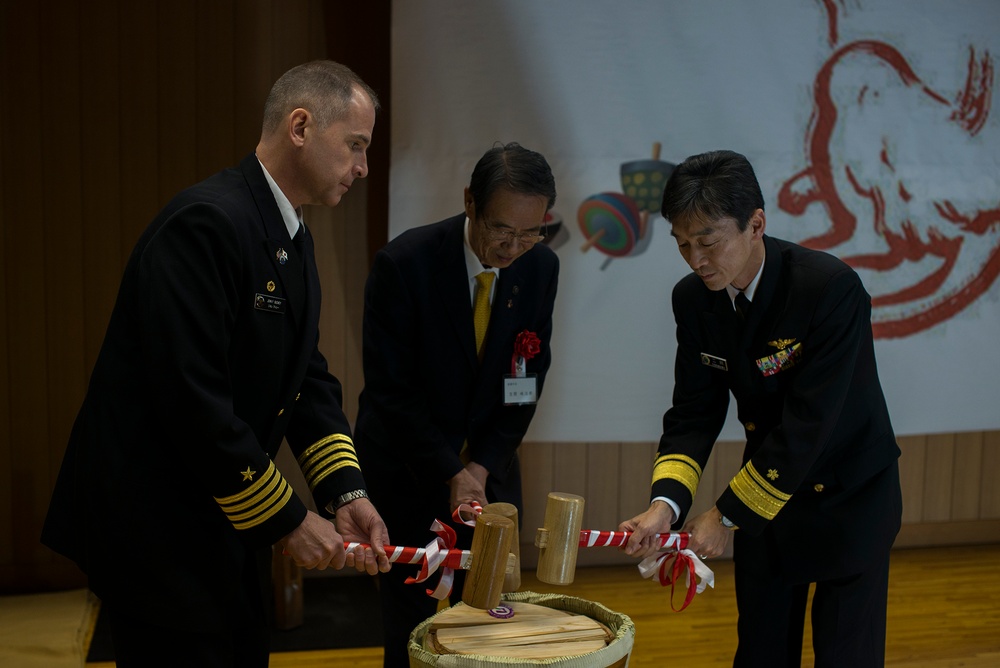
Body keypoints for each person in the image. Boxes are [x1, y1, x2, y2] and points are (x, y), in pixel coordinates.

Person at [41, 60, 391, 668]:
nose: (363, 167)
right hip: (157, 530)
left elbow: (304, 378)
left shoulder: (291, 234)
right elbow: (191, 401)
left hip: (220, 515)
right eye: (355, 145)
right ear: (301, 126)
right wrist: (287, 520)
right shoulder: (205, 224)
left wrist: (344, 491)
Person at [620, 150, 902, 667]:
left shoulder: (828, 289)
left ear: (757, 224)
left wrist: (724, 515)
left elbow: (809, 425)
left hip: (849, 497)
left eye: (708, 242)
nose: (696, 260)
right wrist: (667, 505)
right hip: (769, 498)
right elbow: (693, 413)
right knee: (761, 651)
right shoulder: (693, 299)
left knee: (847, 654)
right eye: (683, 245)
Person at [354, 142, 559, 666]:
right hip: (408, 469)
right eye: (502, 230)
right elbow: (389, 392)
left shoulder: (540, 268)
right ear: (470, 202)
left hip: (486, 474)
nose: (514, 248)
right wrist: (450, 471)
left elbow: (527, 377)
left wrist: (482, 464)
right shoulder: (405, 264)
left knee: (491, 619)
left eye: (530, 232)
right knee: (411, 628)